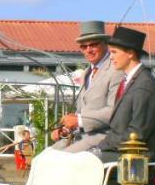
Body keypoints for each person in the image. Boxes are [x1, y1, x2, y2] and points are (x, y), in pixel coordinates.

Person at [92, 26, 155, 162]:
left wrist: (101, 147)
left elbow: (137, 133)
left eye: (114, 52)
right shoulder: (129, 81)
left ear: (130, 53)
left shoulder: (144, 85)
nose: (110, 58)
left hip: (136, 159)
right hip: (120, 151)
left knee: (82, 161)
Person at [52, 20, 124, 153]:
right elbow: (83, 110)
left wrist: (79, 121)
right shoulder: (87, 73)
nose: (88, 50)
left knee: (59, 160)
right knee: (45, 157)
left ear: (105, 44)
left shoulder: (116, 70)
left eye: (93, 45)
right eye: (84, 47)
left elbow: (115, 111)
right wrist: (67, 128)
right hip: (82, 136)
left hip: (104, 137)